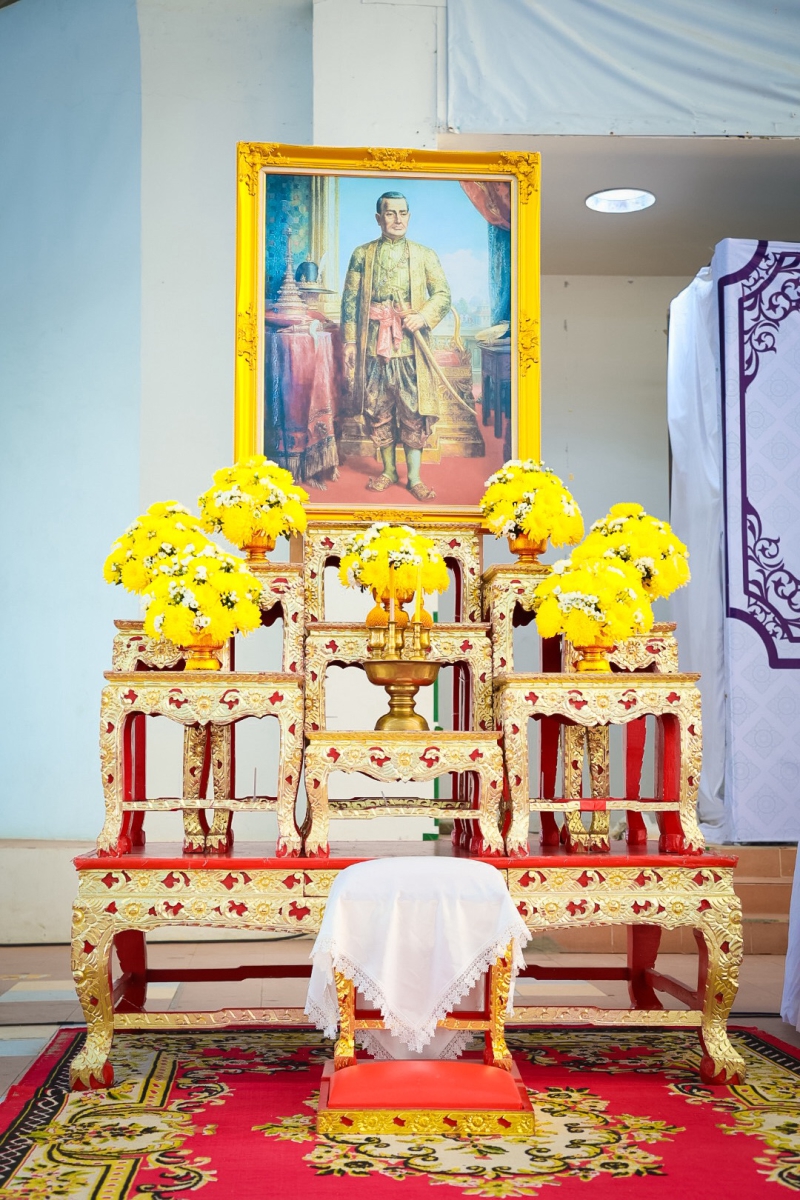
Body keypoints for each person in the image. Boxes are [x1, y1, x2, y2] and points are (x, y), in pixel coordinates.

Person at [341, 191, 451, 500]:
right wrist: (350, 340)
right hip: (372, 346)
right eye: (390, 213)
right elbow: (350, 299)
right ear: (379, 218)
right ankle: (388, 470)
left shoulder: (425, 255)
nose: (398, 219)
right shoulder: (362, 254)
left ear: (409, 216)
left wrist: (423, 316)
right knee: (378, 409)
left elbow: (442, 294)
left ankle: (414, 477)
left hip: (410, 347)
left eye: (403, 213)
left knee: (413, 411)